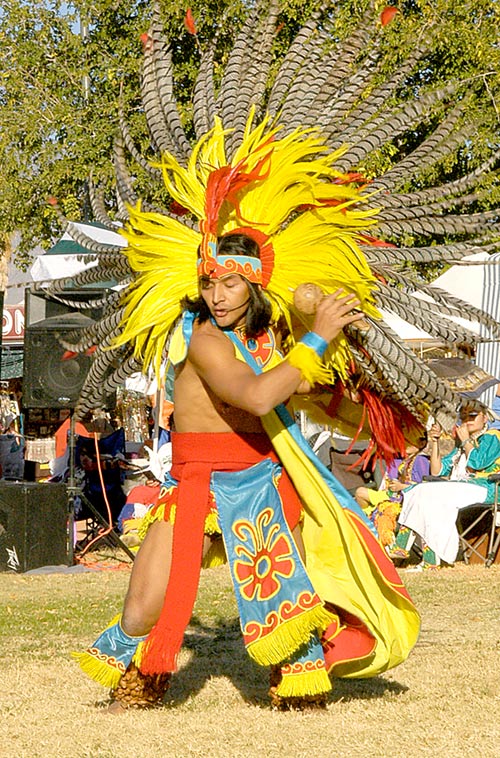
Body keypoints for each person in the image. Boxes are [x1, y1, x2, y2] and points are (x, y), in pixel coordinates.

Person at [75, 233, 420, 712]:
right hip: (199, 484)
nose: (217, 295)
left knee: (291, 593)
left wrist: (374, 406)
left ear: (254, 285)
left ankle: (301, 694)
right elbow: (258, 397)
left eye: (231, 284)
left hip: (264, 480)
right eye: (210, 283)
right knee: (143, 608)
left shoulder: (265, 339)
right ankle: (139, 684)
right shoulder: (202, 337)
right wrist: (318, 335)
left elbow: (297, 387)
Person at [394, 405, 500, 570]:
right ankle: (419, 552)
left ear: (485, 418)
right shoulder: (460, 446)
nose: (467, 420)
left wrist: (465, 440)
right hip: (458, 489)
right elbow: (437, 470)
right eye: (464, 417)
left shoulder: (493, 437)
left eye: (472, 416)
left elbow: (478, 462)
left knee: (431, 493)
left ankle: (430, 554)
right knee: (422, 490)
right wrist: (434, 442)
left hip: (487, 488)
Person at [354, 432, 430, 548]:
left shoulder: (420, 460)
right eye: (404, 440)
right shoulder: (398, 460)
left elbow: (423, 488)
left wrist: (402, 487)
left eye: (410, 441)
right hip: (390, 494)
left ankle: (373, 528)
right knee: (360, 493)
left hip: (404, 500)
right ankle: (367, 520)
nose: (406, 444)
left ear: (422, 443)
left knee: (363, 495)